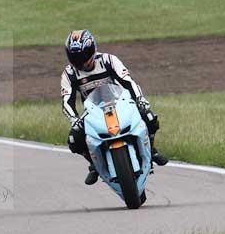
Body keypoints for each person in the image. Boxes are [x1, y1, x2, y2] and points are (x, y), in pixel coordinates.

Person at [61, 29, 168, 186]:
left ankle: (151, 150)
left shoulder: (108, 60)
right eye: (75, 57)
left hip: (122, 103)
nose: (81, 62)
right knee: (74, 140)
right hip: (93, 111)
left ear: (92, 50)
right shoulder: (69, 74)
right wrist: (74, 119)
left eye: (83, 56)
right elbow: (66, 101)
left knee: (150, 118)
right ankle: (94, 164)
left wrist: (140, 100)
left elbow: (129, 82)